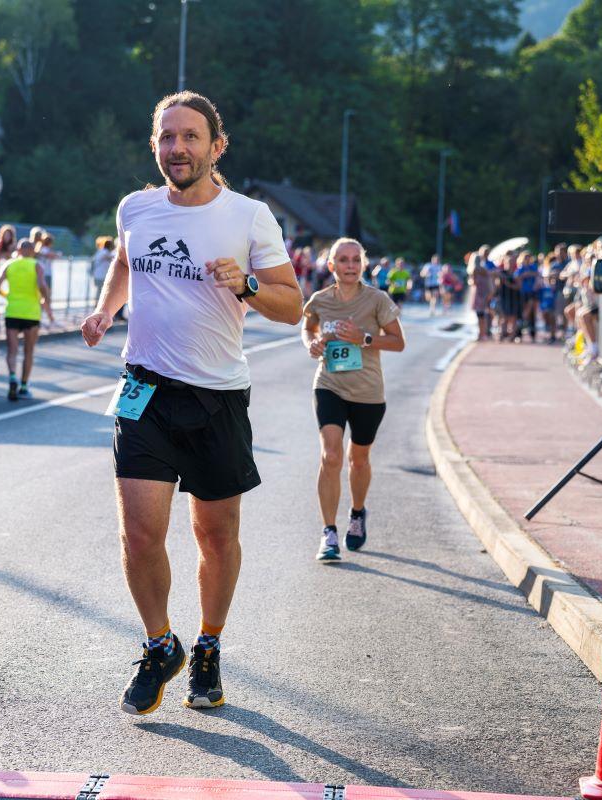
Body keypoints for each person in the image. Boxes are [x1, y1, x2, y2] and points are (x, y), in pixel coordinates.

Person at [79, 91, 302, 715]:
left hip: (217, 397)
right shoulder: (136, 208)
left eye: (190, 136)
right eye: (167, 137)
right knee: (139, 532)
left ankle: (208, 645)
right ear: (155, 145)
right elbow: (125, 262)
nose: (178, 147)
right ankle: (159, 645)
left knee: (215, 534)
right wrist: (105, 309)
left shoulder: (250, 216)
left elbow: (291, 306)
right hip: (144, 390)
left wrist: (248, 284)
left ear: (216, 146)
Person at [302, 238, 405, 561]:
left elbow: (398, 342)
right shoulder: (320, 300)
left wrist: (365, 338)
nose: (350, 266)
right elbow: (308, 328)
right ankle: (329, 533)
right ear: (331, 265)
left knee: (358, 460)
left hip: (368, 391)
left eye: (355, 260)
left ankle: (357, 512)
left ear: (363, 265)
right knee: (331, 455)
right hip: (329, 384)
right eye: (343, 260)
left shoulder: (377, 300)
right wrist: (312, 343)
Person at [0, 239, 55, 401]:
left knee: (12, 351)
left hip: (12, 311)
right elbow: (42, 284)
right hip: (31, 313)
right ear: (32, 251)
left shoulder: (9, 264)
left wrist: (7, 295)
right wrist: (46, 299)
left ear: (18, 250)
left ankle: (12, 377)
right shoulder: (36, 265)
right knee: (28, 351)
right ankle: (24, 387)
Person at [468, 253, 492, 340]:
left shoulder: (474, 270)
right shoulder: (484, 270)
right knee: (483, 315)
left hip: (478, 294)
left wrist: (470, 281)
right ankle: (483, 333)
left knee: (480, 315)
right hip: (484, 294)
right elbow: (488, 281)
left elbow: (473, 282)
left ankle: (481, 334)